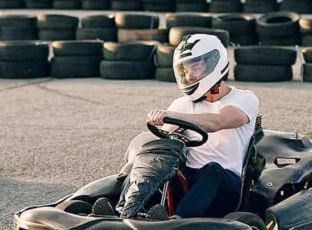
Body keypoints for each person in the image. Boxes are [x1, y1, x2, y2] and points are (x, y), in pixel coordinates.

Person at [95, 33, 259, 219]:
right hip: (189, 182)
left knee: (212, 169)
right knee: (148, 159)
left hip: (226, 188)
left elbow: (216, 122)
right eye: (186, 70)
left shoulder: (244, 99)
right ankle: (122, 211)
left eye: (195, 67)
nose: (189, 76)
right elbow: (161, 142)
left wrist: (171, 116)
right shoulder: (182, 104)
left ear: (213, 63)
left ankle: (178, 220)